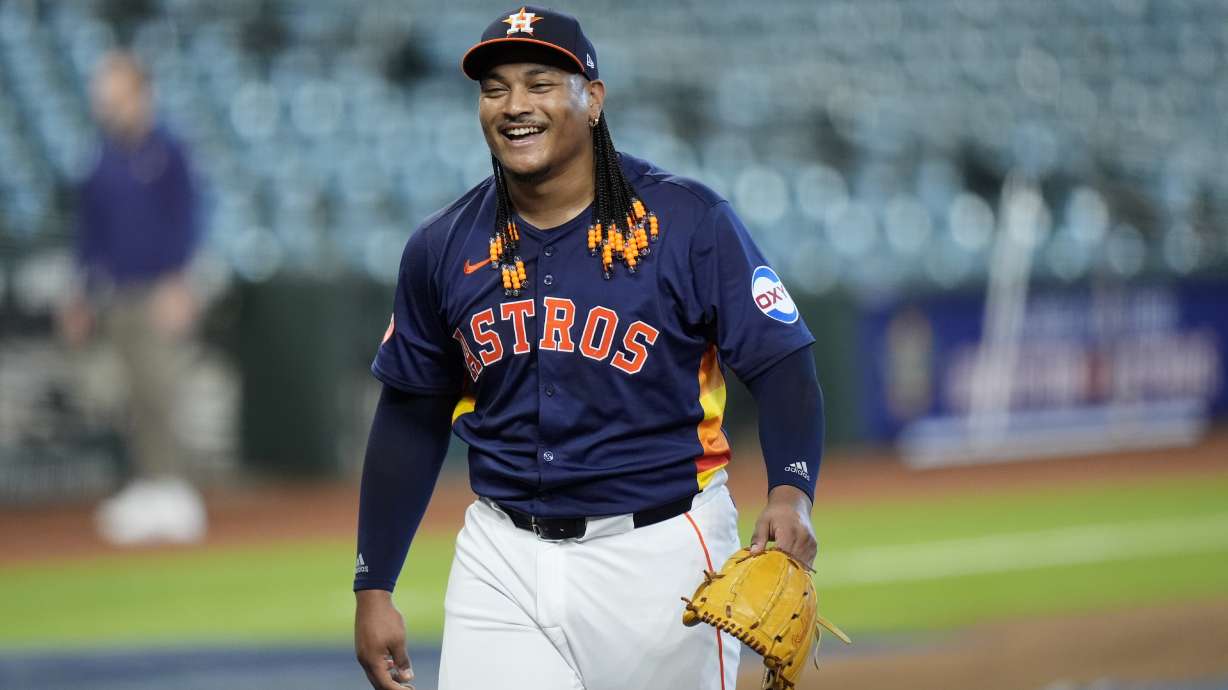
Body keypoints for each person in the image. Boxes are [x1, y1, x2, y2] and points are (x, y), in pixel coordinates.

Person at [353, 7, 826, 689]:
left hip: (660, 553)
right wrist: (375, 584)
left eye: (541, 84)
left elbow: (784, 365)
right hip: (502, 557)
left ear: (593, 100)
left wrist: (792, 491)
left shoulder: (687, 223)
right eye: (495, 89)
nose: (515, 106)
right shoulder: (441, 246)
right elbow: (409, 416)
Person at [60, 51, 205, 545]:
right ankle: (148, 487)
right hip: (115, 293)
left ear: (138, 92)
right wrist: (79, 292)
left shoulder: (167, 150)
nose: (104, 98)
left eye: (113, 88)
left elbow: (187, 218)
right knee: (129, 394)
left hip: (157, 290)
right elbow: (89, 232)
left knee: (159, 391)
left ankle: (174, 492)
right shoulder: (101, 155)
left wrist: (179, 282)